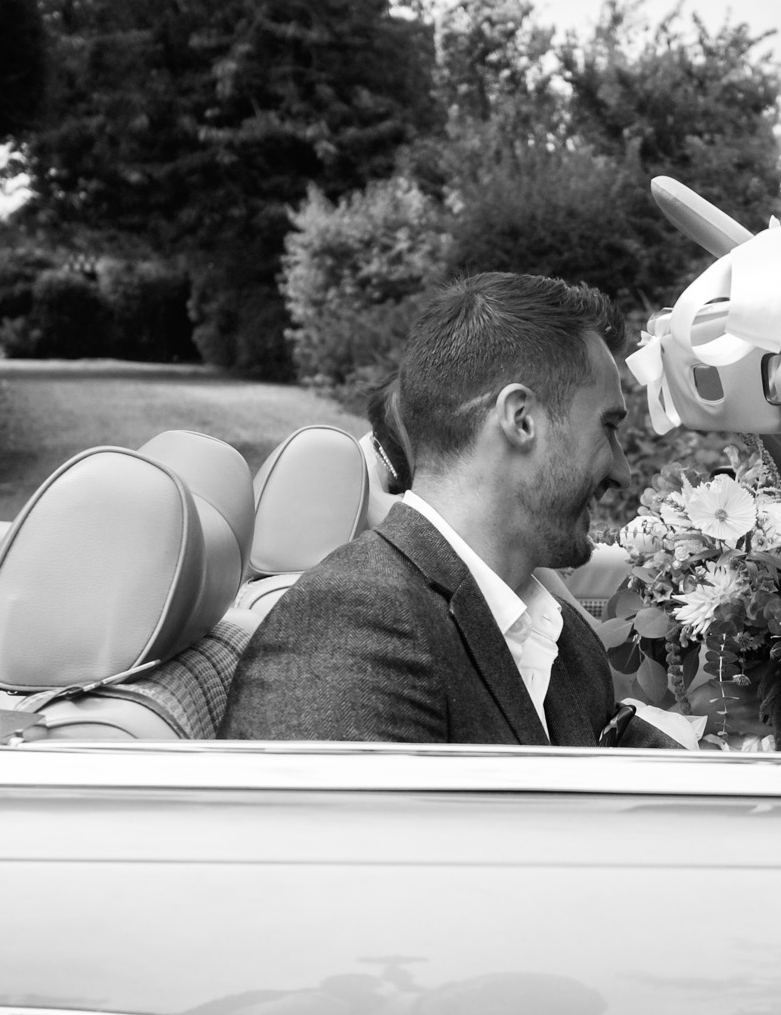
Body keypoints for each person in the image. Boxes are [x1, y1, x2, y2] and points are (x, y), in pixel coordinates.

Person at [219, 273, 678, 748]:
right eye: (608, 427)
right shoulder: (353, 629)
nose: (623, 471)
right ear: (522, 419)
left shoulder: (555, 628)